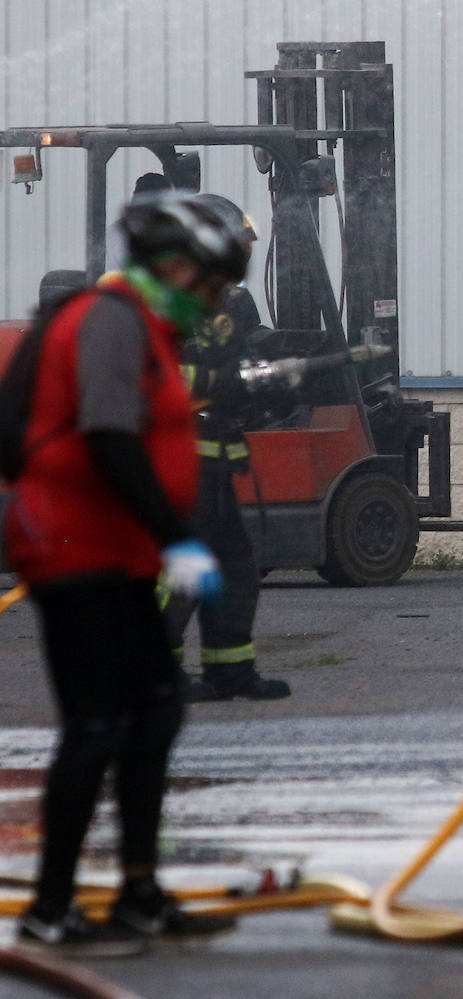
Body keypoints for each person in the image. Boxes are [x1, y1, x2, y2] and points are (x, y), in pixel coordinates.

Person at [6, 191, 247, 956]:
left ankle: (139, 890)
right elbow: (108, 432)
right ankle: (50, 908)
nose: (213, 302)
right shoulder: (110, 318)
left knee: (156, 708)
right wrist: (177, 533)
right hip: (76, 548)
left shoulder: (144, 323)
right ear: (176, 267)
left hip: (117, 549)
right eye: (211, 285)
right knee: (99, 721)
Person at [163, 194, 291, 701]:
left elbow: (240, 366)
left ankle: (229, 669)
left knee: (233, 569)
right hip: (172, 465)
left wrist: (271, 382)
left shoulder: (223, 302)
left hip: (212, 464)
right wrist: (226, 380)